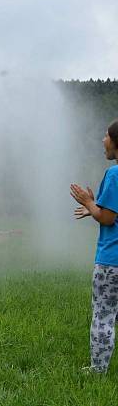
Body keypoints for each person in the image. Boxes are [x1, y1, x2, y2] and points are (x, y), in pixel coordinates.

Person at [71, 120, 118, 373]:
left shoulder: (115, 174)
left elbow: (108, 218)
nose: (103, 140)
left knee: (103, 316)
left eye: (106, 135)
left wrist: (90, 203)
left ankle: (98, 371)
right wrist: (94, 208)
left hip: (112, 262)